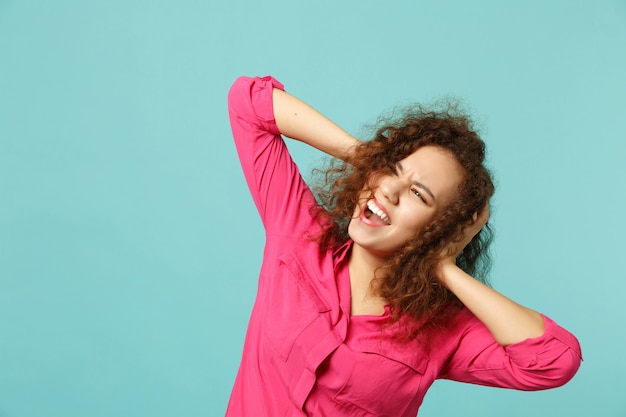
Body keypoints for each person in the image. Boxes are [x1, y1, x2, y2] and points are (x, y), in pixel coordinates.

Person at [225, 75, 582, 417]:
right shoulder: (298, 235)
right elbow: (250, 103)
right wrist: (368, 158)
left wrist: (443, 265)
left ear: (438, 228)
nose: (389, 190)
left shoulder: (440, 332)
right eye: (392, 170)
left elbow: (554, 361)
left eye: (417, 194)